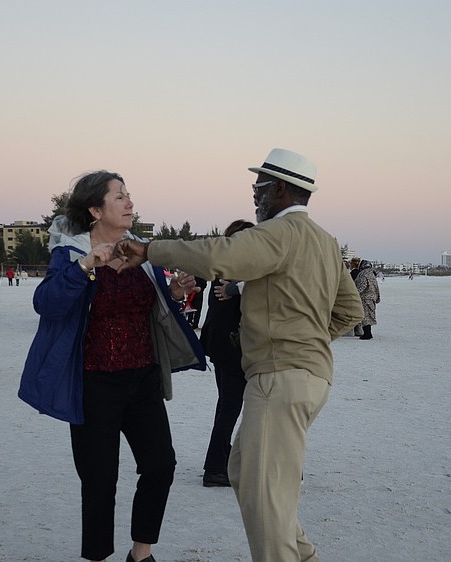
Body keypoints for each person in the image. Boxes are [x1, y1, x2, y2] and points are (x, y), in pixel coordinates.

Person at [117, 148, 363, 562]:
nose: (254, 193)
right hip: (309, 378)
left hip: (280, 378)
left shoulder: (278, 234)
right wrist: (309, 341)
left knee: (264, 498)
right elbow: (350, 311)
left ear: (281, 188)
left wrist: (150, 250)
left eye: (259, 185)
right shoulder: (324, 241)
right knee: (246, 473)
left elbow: (219, 255)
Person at [18, 170, 205, 562]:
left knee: (161, 466)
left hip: (143, 378)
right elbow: (47, 304)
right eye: (119, 197)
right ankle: (99, 556)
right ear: (94, 209)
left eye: (129, 195)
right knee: (100, 481)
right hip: (94, 383)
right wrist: (87, 264)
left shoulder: (140, 252)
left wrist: (172, 292)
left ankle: (141, 553)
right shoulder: (70, 254)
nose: (130, 203)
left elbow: (147, 308)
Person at [199, 219, 254, 488]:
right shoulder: (235, 271)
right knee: (231, 408)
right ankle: (215, 467)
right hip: (233, 351)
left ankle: (222, 460)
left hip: (223, 348)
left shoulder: (226, 267)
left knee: (228, 407)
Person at [355, 259, 380, 340]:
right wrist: (378, 297)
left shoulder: (363, 274)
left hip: (365, 298)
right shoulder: (372, 274)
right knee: (370, 315)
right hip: (372, 298)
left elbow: (361, 286)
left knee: (365, 316)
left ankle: (367, 334)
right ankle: (368, 333)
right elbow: (376, 287)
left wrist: (354, 294)